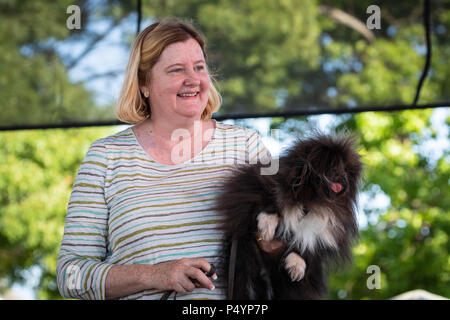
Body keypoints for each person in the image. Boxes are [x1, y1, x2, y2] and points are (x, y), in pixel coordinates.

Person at [56, 17, 284, 300]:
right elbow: (70, 275)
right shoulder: (105, 158)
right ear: (144, 84)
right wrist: (154, 275)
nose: (193, 80)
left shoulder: (245, 146)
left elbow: (282, 240)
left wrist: (278, 240)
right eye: (176, 70)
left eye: (199, 68)